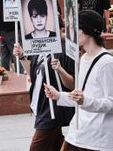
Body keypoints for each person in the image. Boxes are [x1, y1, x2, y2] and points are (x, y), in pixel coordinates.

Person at [44, 10, 113, 151]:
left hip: (97, 140)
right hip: (77, 134)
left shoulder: (106, 63)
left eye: (76, 28)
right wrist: (59, 95)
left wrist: (84, 101)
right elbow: (81, 96)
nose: (72, 32)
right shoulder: (83, 58)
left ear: (88, 30)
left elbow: (111, 102)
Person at [13, 37, 75, 150]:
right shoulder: (40, 47)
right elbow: (33, 75)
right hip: (41, 105)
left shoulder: (64, 48)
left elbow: (73, 84)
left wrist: (60, 70)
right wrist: (22, 57)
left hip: (52, 109)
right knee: (56, 144)